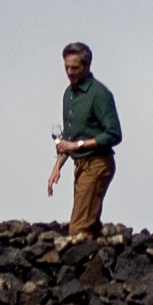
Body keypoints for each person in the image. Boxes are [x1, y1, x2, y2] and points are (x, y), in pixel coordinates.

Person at [49, 43, 122, 236]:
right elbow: (69, 136)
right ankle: (101, 249)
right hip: (80, 165)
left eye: (75, 68)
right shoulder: (69, 94)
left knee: (79, 228)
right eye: (66, 67)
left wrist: (78, 145)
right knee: (88, 223)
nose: (69, 72)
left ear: (87, 66)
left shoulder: (99, 94)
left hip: (98, 163)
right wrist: (57, 166)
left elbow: (114, 133)